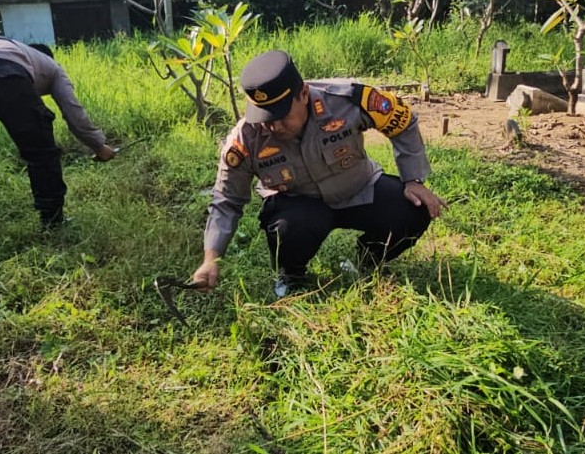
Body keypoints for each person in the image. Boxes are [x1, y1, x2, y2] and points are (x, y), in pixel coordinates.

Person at [191, 50, 447, 296]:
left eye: (281, 115)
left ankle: (368, 261)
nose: (274, 126)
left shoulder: (349, 99)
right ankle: (291, 276)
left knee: (413, 209)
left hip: (359, 188)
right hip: (301, 204)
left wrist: (413, 180)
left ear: (303, 93)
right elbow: (226, 201)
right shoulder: (244, 140)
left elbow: (403, 123)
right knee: (286, 229)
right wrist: (211, 259)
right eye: (265, 117)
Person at [0, 36, 115, 238]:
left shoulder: (15, 49)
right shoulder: (52, 66)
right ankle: (52, 222)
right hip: (7, 73)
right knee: (41, 153)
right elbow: (73, 111)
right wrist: (99, 146)